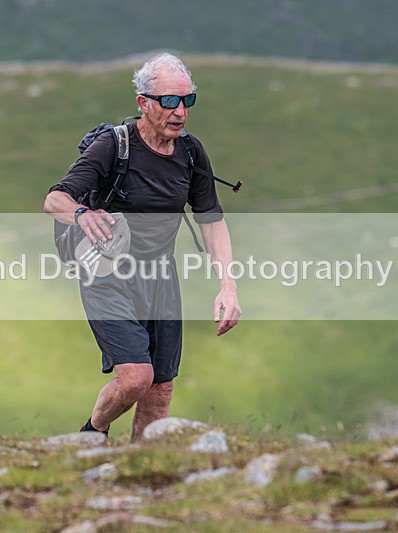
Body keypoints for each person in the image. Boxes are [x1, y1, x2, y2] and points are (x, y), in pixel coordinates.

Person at [43, 53, 241, 441]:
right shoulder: (113, 146)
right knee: (136, 378)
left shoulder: (190, 152)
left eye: (187, 100)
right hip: (107, 274)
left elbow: (211, 220)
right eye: (169, 101)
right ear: (143, 103)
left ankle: (141, 467)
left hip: (160, 277)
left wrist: (228, 286)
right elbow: (55, 199)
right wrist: (82, 214)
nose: (180, 111)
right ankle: (92, 434)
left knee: (160, 390)